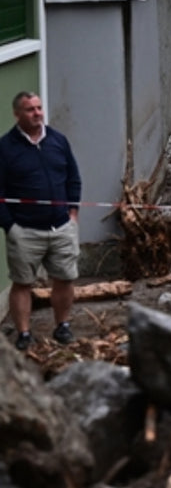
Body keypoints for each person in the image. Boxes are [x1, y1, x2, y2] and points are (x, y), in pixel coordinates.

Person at [0, 92, 82, 350]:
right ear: (17, 114)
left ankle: (63, 326)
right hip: (24, 231)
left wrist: (72, 214)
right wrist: (10, 227)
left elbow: (73, 178)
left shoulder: (58, 140)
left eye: (38, 108)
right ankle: (24, 334)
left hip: (61, 226)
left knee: (65, 278)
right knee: (23, 283)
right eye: (30, 110)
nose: (37, 113)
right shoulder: (5, 148)